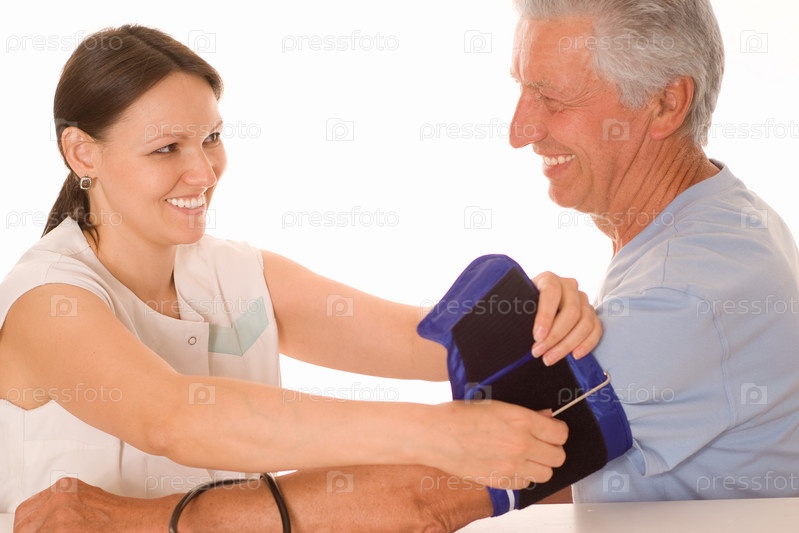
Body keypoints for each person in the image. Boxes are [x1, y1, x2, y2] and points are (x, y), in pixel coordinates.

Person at [2, 24, 602, 531]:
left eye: (211, 138)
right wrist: (434, 433)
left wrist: (541, 316)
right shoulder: (48, 300)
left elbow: (430, 342)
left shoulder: (237, 275)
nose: (203, 171)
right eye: (166, 148)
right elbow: (174, 419)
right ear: (82, 154)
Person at [508, 0, 799, 502]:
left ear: (666, 103)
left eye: (551, 97)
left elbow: (439, 496)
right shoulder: (720, 215)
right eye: (521, 87)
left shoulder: (682, 291)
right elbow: (560, 476)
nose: (520, 131)